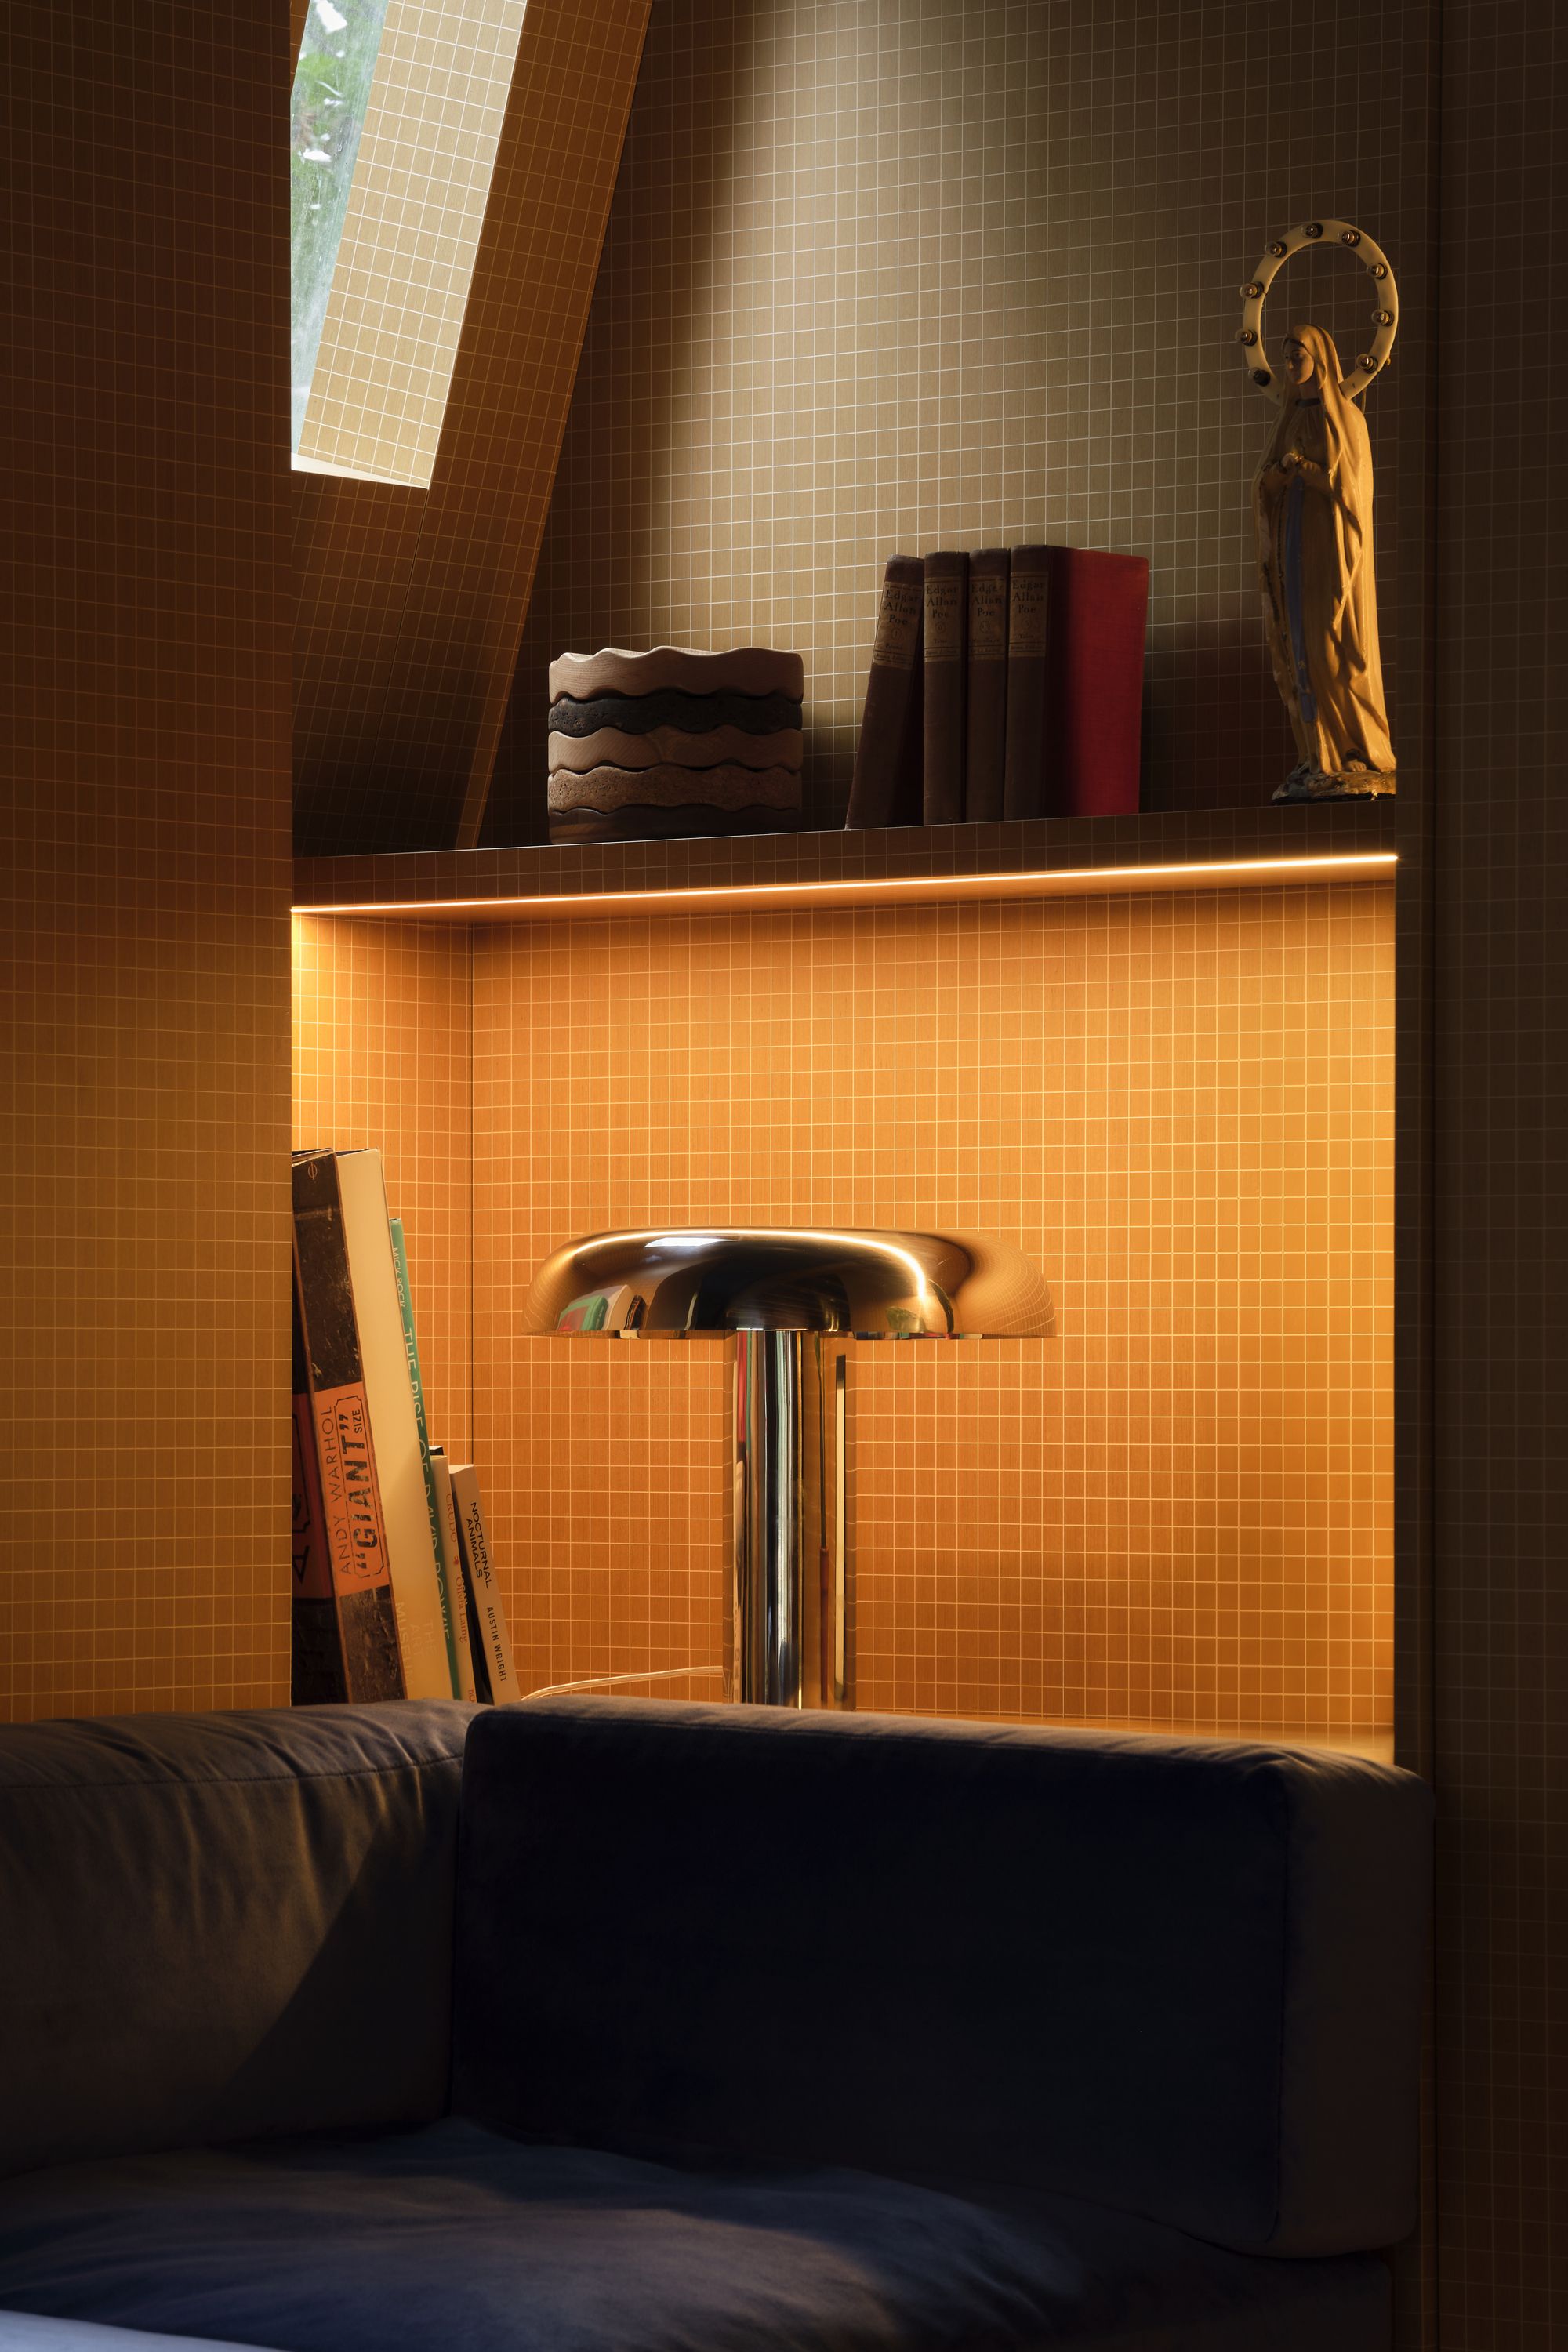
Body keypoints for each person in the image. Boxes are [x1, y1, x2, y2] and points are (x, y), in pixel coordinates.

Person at [1252, 323, 1396, 797]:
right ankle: (1316, 755)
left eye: (1297, 356)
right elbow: (1265, 487)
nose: (1289, 365)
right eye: (1285, 356)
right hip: (1294, 547)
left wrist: (1310, 471)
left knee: (1331, 646)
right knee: (1300, 651)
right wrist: (1276, 477)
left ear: (1321, 359)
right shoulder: (1288, 420)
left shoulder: (1347, 419)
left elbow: (1351, 493)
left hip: (1332, 556)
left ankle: (1354, 750)